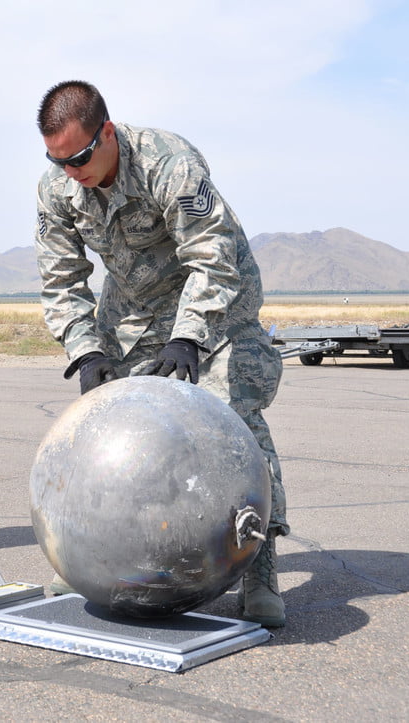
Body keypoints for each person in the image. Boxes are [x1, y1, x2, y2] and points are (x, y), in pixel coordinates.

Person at [33, 80, 288, 626]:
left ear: (106, 132)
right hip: (133, 312)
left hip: (218, 306)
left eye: (78, 157)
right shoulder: (57, 187)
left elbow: (212, 254)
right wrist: (86, 351)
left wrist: (189, 336)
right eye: (58, 161)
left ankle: (259, 572)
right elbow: (59, 277)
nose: (70, 171)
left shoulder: (168, 162)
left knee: (231, 418)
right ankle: (94, 559)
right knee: (110, 425)